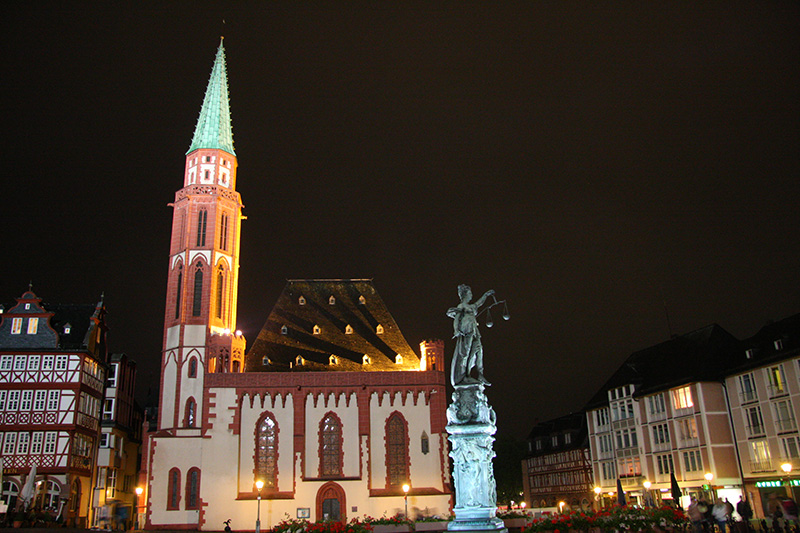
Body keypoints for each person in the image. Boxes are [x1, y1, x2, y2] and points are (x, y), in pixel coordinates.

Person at [447, 285, 495, 386]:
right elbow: (456, 319)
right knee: (465, 354)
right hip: (466, 331)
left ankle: (480, 374)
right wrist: (456, 330)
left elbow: (479, 303)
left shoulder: (471, 307)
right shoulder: (461, 306)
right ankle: (465, 376)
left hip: (474, 331)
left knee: (478, 350)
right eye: (470, 293)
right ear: (465, 295)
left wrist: (486, 295)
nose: (471, 296)